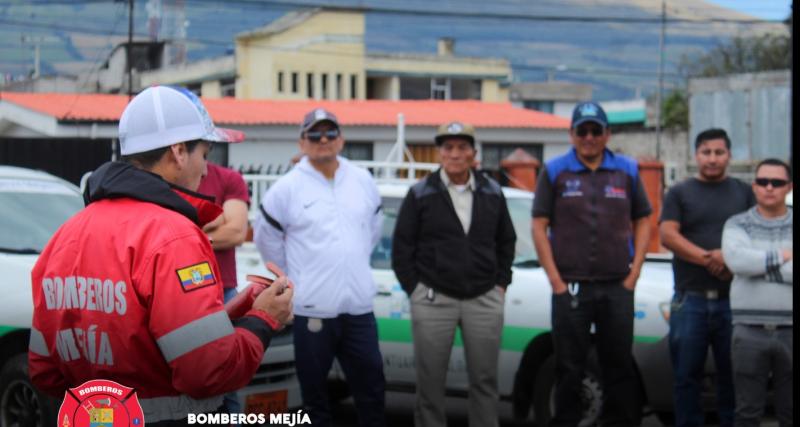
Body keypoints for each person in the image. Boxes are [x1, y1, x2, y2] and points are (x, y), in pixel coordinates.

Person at [27, 85, 294, 426]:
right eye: (205, 154)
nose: (205, 169)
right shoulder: (174, 236)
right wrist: (264, 319)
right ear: (179, 152)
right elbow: (208, 371)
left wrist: (223, 320)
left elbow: (44, 370)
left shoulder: (66, 235)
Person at [253, 108, 385, 427]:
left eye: (329, 133)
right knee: (315, 400)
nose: (322, 140)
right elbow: (266, 237)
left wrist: (349, 262)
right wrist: (294, 279)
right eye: (314, 134)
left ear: (341, 139)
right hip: (312, 311)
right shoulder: (287, 188)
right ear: (302, 141)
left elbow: (374, 229)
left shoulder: (362, 180)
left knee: (372, 393)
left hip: (359, 310)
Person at [531, 101, 652, 427]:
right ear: (571, 134)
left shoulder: (627, 170)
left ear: (606, 134)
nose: (589, 137)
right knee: (568, 367)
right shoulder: (555, 171)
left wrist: (634, 273)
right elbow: (538, 225)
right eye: (582, 130)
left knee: (619, 366)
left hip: (617, 287)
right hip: (570, 287)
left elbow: (644, 219)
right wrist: (555, 281)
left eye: (595, 130)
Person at [391, 121, 516, 427]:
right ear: (439, 153)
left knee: (485, 382)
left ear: (474, 153)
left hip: (484, 298)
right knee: (430, 383)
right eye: (448, 147)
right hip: (434, 299)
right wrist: (416, 290)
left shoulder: (492, 191)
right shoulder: (420, 193)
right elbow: (401, 248)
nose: (456, 154)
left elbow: (507, 241)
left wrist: (500, 284)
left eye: (463, 147)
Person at [660, 128, 755, 427]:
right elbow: (667, 234)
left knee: (734, 377)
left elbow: (755, 234)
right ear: (695, 155)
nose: (712, 159)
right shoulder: (679, 193)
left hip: (734, 302)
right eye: (706, 152)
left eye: (719, 152)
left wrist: (731, 259)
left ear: (729, 155)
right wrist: (709, 258)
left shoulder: (744, 192)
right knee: (686, 377)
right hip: (691, 302)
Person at [721, 158, 793, 427]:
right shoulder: (737, 224)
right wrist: (784, 257)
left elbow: (748, 264)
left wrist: (760, 266)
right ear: (754, 186)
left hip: (791, 329)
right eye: (763, 182)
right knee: (747, 412)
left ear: (789, 187)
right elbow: (737, 262)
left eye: (777, 182)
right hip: (748, 330)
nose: (769, 187)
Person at [198, 160, 251, 419]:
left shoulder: (229, 178)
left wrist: (188, 235)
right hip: (178, 294)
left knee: (227, 383)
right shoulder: (161, 179)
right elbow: (224, 227)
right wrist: (213, 223)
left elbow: (235, 233)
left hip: (223, 292)